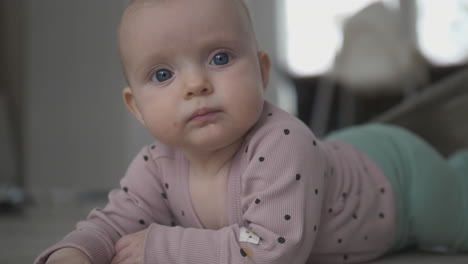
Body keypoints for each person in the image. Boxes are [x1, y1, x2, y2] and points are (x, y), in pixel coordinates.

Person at [35, 0, 468, 263]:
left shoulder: (283, 143)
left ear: (262, 71)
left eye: (220, 58)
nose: (195, 84)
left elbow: (270, 248)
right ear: (137, 108)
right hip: (340, 156)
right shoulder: (156, 164)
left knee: (458, 207)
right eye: (163, 73)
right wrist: (75, 252)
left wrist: (163, 249)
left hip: (400, 183)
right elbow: (114, 223)